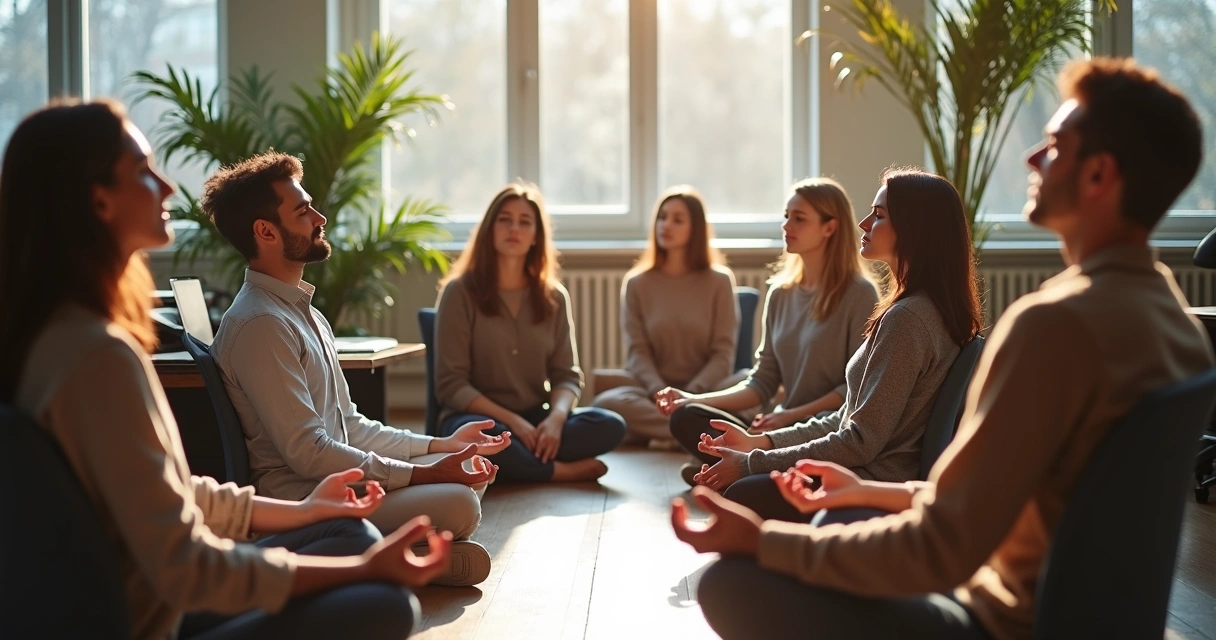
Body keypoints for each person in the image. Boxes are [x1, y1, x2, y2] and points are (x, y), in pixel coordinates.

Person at [671, 58, 1214, 640]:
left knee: (730, 583)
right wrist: (868, 490)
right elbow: (999, 492)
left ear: (1100, 175)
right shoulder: (1181, 329)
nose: (1033, 158)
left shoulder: (1053, 326)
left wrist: (767, 541)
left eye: (1055, 145)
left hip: (999, 624)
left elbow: (944, 545)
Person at [0, 99, 451, 640]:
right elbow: (187, 569)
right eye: (143, 170)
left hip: (160, 600)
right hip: (155, 622)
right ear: (99, 200)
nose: (168, 188)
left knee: (344, 532)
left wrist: (306, 511)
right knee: (386, 602)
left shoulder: (56, 338)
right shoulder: (98, 358)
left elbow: (177, 494)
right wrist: (361, 570)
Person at [203, 151, 499, 587]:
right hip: (305, 499)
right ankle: (368, 561)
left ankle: (399, 558)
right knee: (459, 501)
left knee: (468, 473)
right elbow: (309, 453)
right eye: (303, 211)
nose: (319, 217)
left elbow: (352, 426)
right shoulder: (261, 323)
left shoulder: (304, 314)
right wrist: (427, 472)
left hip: (345, 482)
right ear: (265, 231)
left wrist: (442, 445)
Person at [695, 169, 984, 520]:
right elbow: (847, 417)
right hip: (862, 469)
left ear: (914, 230)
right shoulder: (917, 309)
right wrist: (762, 443)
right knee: (742, 484)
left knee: (743, 491)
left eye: (878, 216)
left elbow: (858, 443)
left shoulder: (908, 319)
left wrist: (751, 464)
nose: (863, 224)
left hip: (869, 481)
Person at [657, 178, 879, 484]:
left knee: (750, 481)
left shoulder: (861, 295)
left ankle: (732, 473)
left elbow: (854, 390)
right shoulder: (781, 293)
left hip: (824, 430)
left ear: (830, 227)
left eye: (799, 219)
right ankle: (736, 472)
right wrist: (694, 398)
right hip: (776, 426)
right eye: (786, 216)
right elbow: (762, 381)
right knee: (686, 416)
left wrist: (790, 415)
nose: (787, 225)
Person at [435, 182, 627, 483]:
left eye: (525, 222)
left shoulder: (554, 297)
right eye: (505, 219)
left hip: (536, 416)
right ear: (489, 229)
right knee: (482, 440)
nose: (514, 228)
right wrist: (514, 423)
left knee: (610, 425)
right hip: (478, 421)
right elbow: (451, 385)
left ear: (536, 235)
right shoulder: (459, 293)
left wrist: (555, 420)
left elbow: (566, 376)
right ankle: (555, 471)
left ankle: (521, 463)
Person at [590, 186, 738, 445]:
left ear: (696, 229)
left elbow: (723, 354)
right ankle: (696, 436)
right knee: (607, 403)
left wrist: (690, 396)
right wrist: (660, 393)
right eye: (662, 217)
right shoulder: (637, 283)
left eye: (677, 219)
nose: (665, 225)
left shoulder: (720, 281)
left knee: (753, 387)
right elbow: (637, 352)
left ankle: (668, 433)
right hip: (652, 394)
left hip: (705, 392)